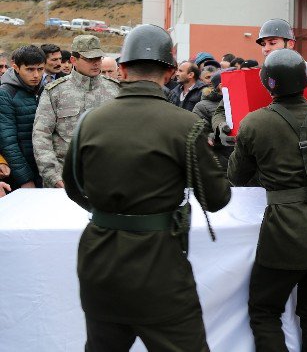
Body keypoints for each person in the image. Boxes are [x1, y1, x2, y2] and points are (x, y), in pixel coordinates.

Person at [62, 24, 231, 351]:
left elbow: (73, 187)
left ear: (122, 69)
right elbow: (217, 199)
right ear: (169, 72)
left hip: (100, 263)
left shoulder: (89, 122)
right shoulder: (185, 125)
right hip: (160, 268)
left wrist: (112, 212)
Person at [228, 48, 307, 352]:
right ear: (305, 80)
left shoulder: (254, 123)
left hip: (285, 230)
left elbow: (236, 175)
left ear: (267, 83)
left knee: (264, 309)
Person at [32, 35, 120, 188]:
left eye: (98, 58)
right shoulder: (55, 91)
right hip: (65, 180)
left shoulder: (115, 90)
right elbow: (41, 135)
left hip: (107, 180)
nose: (96, 63)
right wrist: (53, 176)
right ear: (73, 60)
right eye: (89, 59)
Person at [0, 45, 45, 189]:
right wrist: (25, 179)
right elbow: (8, 142)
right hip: (22, 174)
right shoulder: (6, 94)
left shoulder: (45, 89)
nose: (36, 75)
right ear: (16, 67)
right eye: (30, 69)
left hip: (44, 170)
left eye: (40, 69)